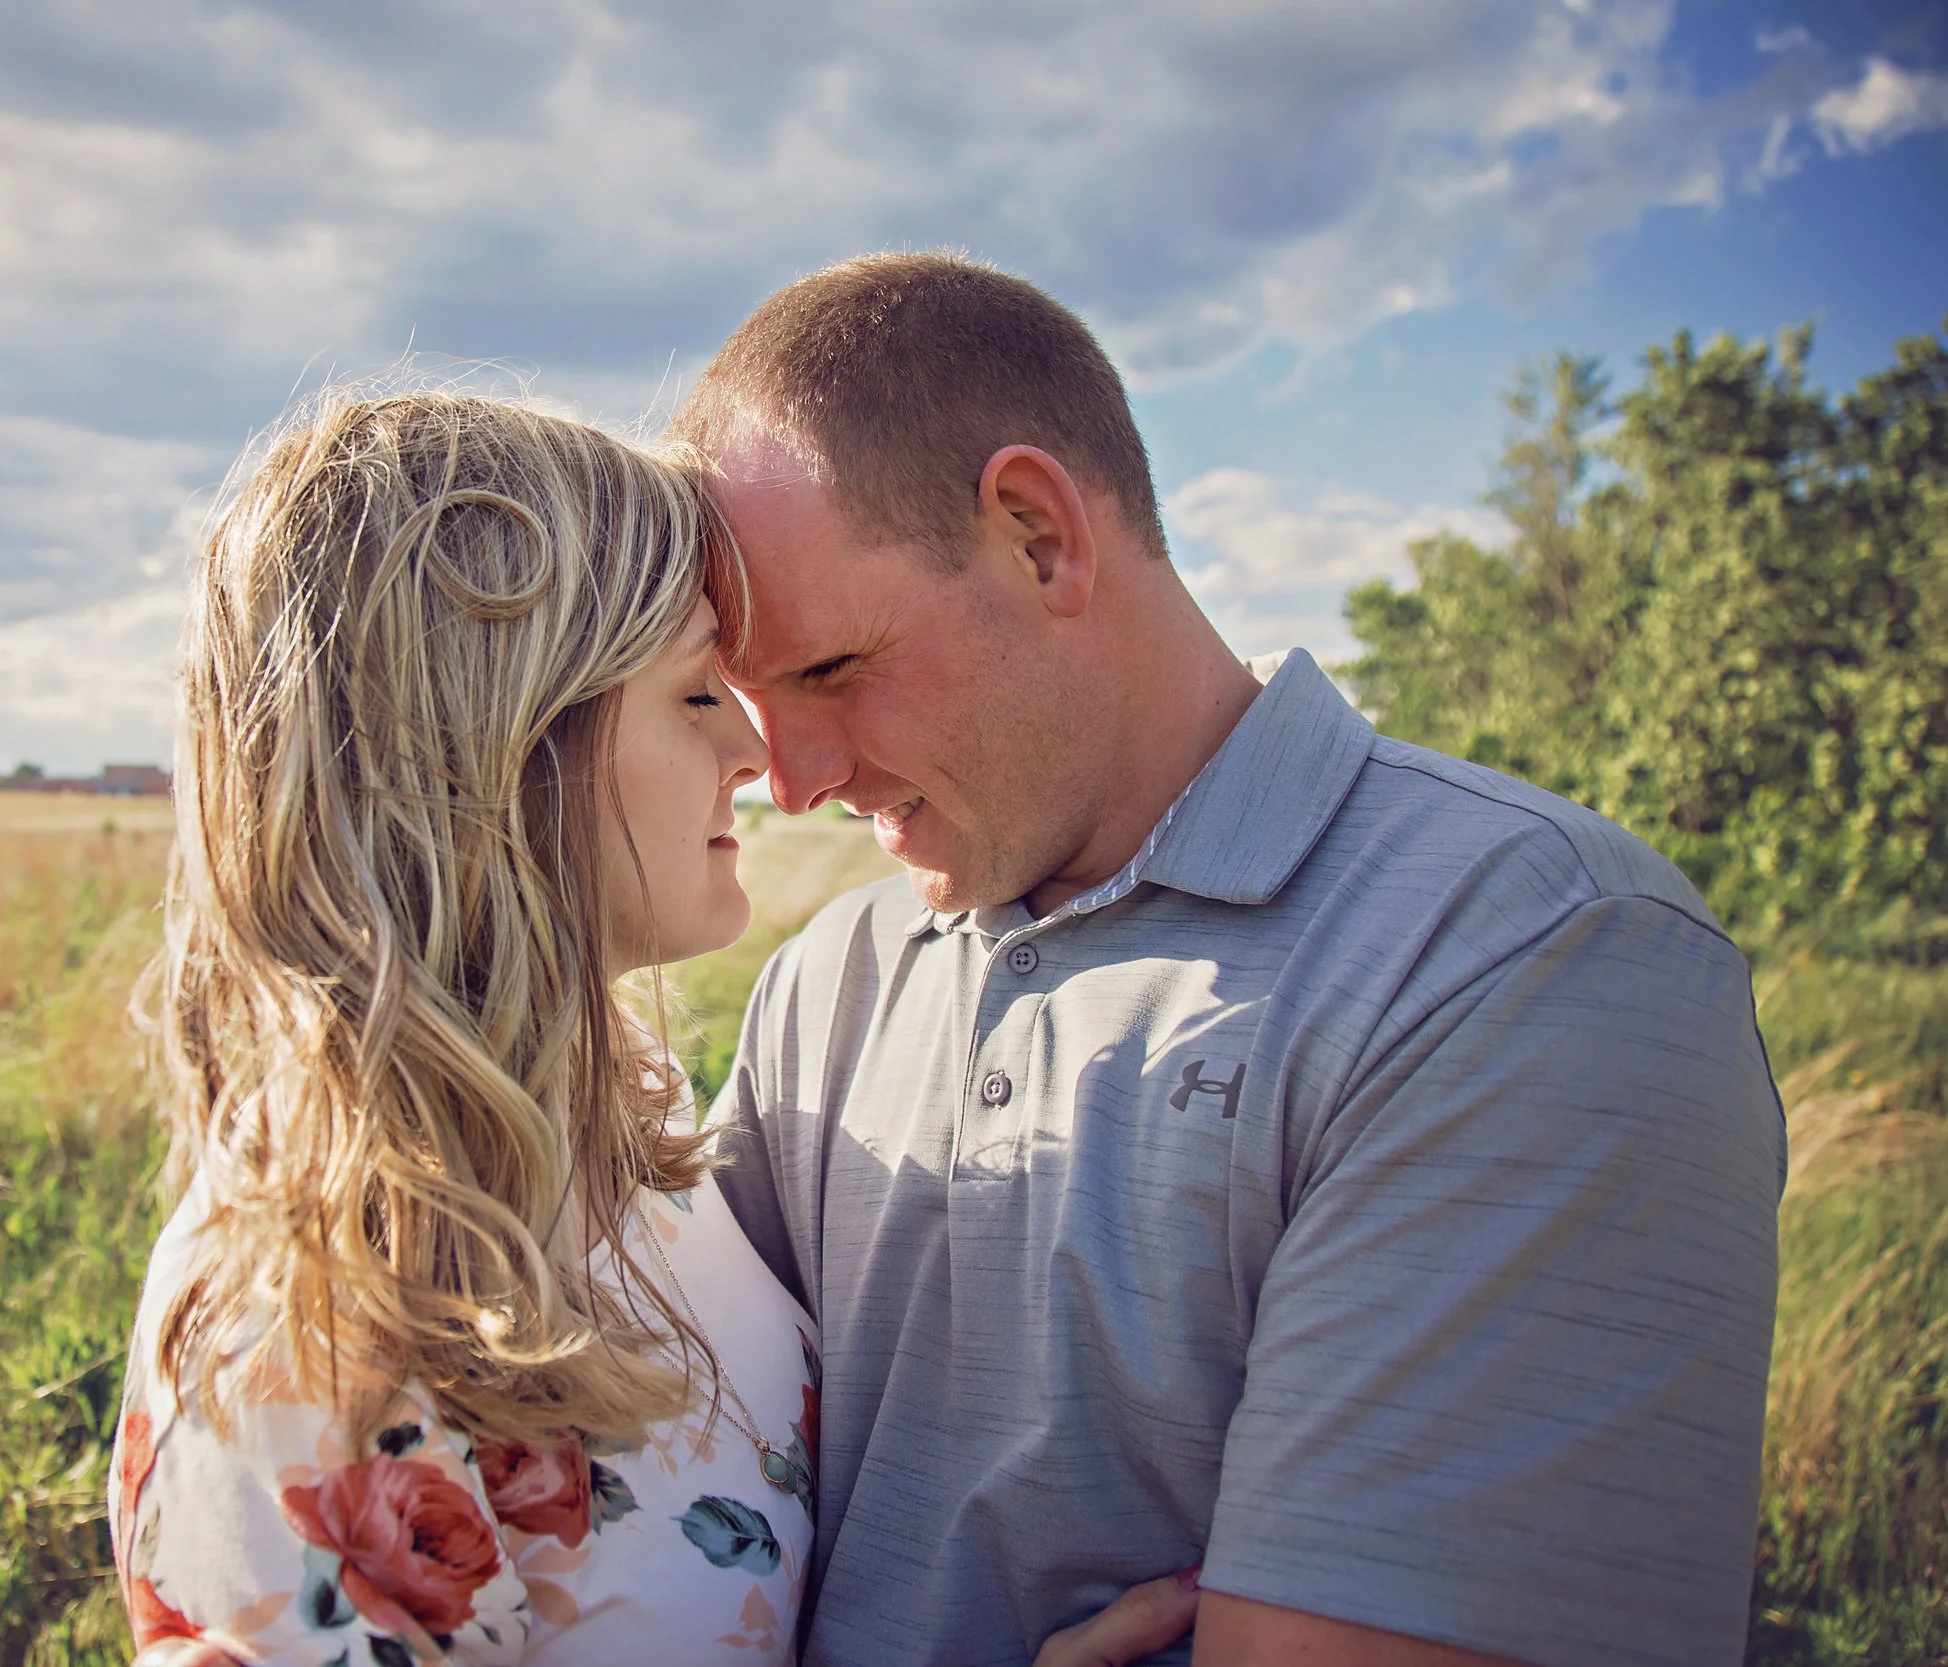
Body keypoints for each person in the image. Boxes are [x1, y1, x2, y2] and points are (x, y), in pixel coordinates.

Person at [673, 254, 1788, 1667]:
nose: (798, 776)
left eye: (831, 672)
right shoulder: (831, 977)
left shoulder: (1524, 953)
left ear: (1037, 534)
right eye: (746, 702)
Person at [104, 392, 1196, 1667]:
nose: (757, 751)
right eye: (694, 693)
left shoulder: (636, 1129)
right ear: (497, 753)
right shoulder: (308, 1326)